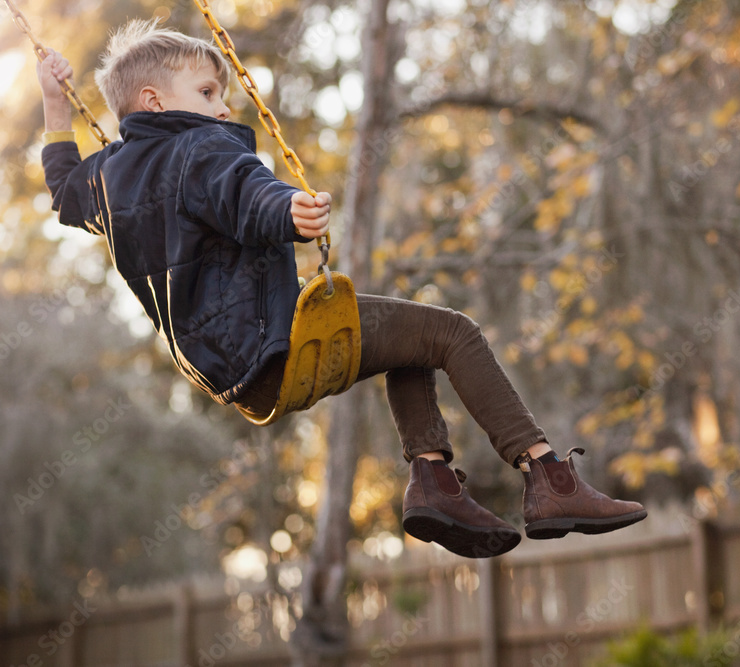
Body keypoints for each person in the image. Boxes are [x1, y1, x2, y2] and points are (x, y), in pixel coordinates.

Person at [37, 19, 646, 559]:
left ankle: (433, 483)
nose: (224, 108)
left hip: (237, 379)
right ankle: (548, 480)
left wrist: (53, 103)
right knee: (452, 333)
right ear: (154, 100)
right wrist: (289, 208)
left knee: (412, 341)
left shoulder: (108, 180)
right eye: (207, 92)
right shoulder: (202, 147)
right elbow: (243, 192)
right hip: (274, 341)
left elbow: (64, 191)